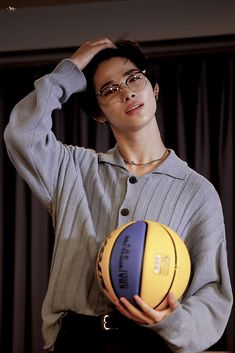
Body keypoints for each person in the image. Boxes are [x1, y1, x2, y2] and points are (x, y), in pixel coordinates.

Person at [4, 37, 233, 353]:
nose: (126, 91)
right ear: (99, 113)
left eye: (133, 78)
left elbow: (213, 294)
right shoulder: (74, 169)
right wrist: (70, 70)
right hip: (75, 341)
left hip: (152, 342)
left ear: (153, 88)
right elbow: (21, 132)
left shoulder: (196, 192)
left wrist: (174, 320)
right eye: (109, 90)